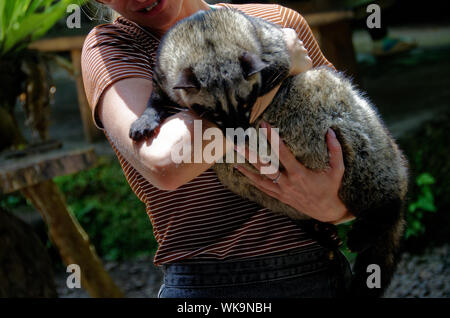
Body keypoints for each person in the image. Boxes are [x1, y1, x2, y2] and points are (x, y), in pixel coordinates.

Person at [82, 0, 355, 298]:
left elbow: (357, 148)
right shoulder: (114, 48)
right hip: (209, 287)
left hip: (318, 271)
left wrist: (337, 208)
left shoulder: (277, 19)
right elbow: (166, 162)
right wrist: (276, 70)